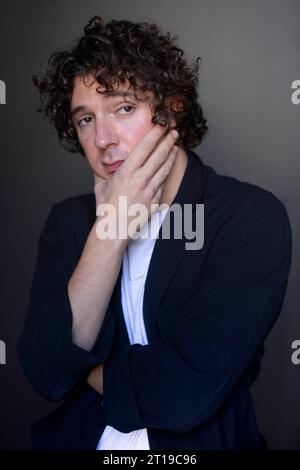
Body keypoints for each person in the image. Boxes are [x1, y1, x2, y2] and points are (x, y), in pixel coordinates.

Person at [18, 15, 292, 450]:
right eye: (85, 118)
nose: (103, 138)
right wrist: (109, 230)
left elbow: (184, 394)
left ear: (171, 108)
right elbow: (45, 372)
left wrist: (84, 368)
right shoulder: (68, 223)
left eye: (124, 108)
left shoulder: (246, 217)